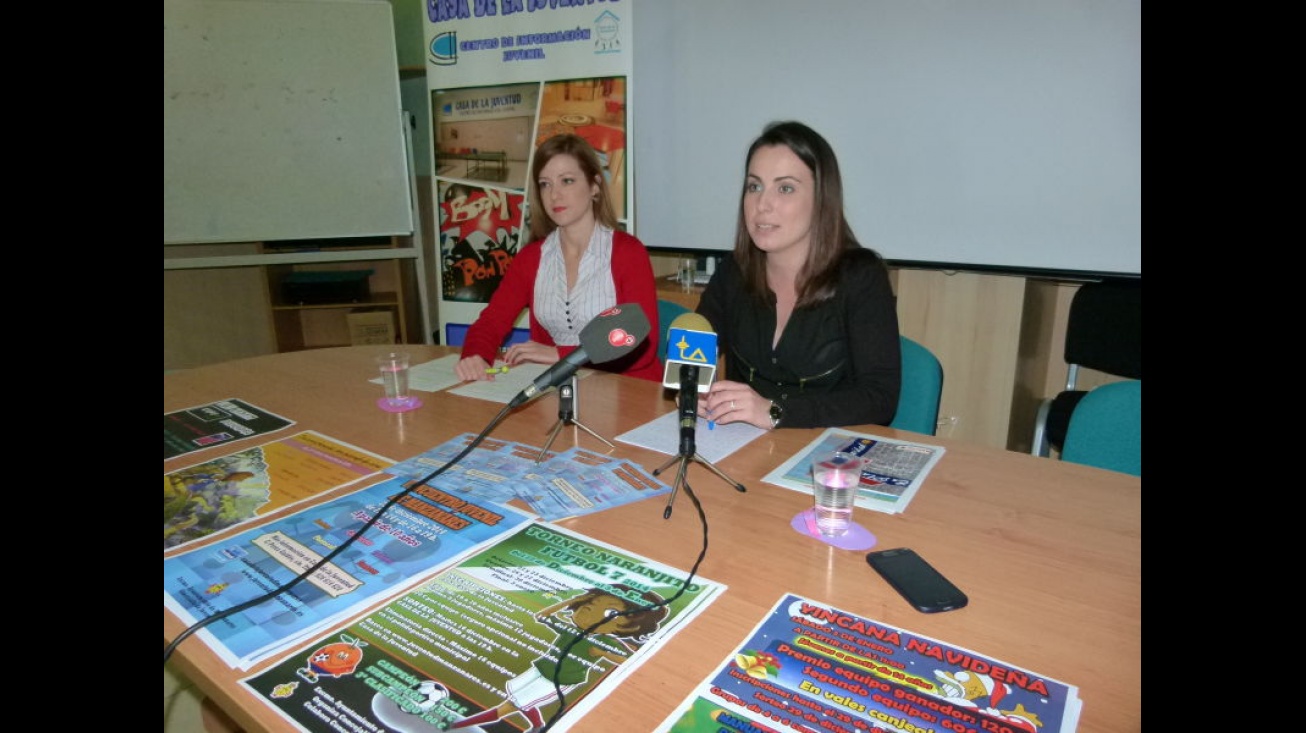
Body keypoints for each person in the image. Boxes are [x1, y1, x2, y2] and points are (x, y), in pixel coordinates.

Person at [696, 121, 901, 429]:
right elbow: (695, 354)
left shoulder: (861, 277)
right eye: (754, 186)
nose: (762, 205)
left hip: (829, 458)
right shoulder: (733, 272)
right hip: (743, 452)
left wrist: (774, 411)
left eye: (786, 188)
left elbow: (879, 399)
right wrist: (694, 391)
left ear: (821, 199)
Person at [453, 134, 661, 383]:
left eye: (567, 181)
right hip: (562, 389)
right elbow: (491, 323)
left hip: (628, 390)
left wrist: (561, 355)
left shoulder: (628, 252)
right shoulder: (531, 258)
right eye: (545, 184)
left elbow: (641, 346)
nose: (554, 195)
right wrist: (475, 356)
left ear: (594, 186)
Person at [449, 586, 668, 732]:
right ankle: (538, 726)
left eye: (607, 614)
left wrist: (604, 654)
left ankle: (457, 726)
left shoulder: (605, 641)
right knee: (518, 699)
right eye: (587, 606)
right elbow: (542, 616)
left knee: (508, 706)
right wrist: (572, 600)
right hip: (542, 668)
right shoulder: (571, 631)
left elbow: (628, 660)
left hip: (560, 680)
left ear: (627, 625)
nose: (585, 613)